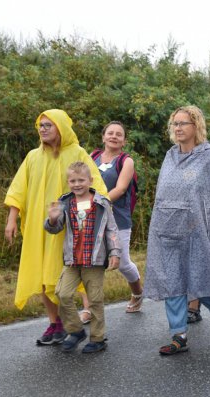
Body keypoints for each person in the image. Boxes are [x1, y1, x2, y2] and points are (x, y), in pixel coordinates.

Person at [144, 106, 210, 355]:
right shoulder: (170, 157)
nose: (178, 128)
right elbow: (163, 194)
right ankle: (178, 335)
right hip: (169, 230)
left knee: (201, 280)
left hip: (198, 232)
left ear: (196, 127)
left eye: (183, 123)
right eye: (175, 124)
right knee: (173, 283)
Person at [4, 109, 108, 345]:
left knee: (63, 275)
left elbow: (95, 188)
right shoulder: (33, 156)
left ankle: (78, 322)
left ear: (60, 127)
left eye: (48, 125)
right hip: (39, 227)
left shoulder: (77, 153)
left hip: (70, 230)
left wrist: (86, 219)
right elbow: (18, 189)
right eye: (40, 125)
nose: (42, 129)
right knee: (42, 275)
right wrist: (12, 219)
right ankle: (56, 324)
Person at [45, 162, 120, 353]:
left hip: (93, 261)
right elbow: (54, 229)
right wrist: (53, 219)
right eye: (72, 181)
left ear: (90, 180)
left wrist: (115, 252)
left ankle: (97, 338)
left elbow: (111, 229)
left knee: (95, 299)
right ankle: (76, 330)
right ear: (68, 182)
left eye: (81, 180)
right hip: (72, 260)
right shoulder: (66, 202)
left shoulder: (101, 203)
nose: (77, 184)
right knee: (62, 293)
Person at [78, 121, 142, 323]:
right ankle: (88, 309)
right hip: (91, 217)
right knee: (87, 262)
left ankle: (138, 293)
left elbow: (121, 189)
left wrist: (95, 202)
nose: (114, 136)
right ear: (103, 136)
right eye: (110, 133)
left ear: (124, 141)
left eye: (119, 134)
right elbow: (81, 181)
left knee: (123, 263)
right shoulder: (92, 157)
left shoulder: (126, 161)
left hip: (117, 218)